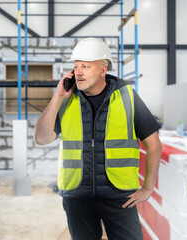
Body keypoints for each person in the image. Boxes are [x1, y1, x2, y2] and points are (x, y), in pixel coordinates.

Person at [34, 38, 162, 240]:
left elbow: (153, 143)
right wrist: (57, 97)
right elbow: (41, 138)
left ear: (103, 69)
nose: (78, 72)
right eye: (76, 66)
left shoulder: (127, 97)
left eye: (86, 66)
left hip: (120, 196)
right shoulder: (66, 100)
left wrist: (147, 188)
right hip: (77, 196)